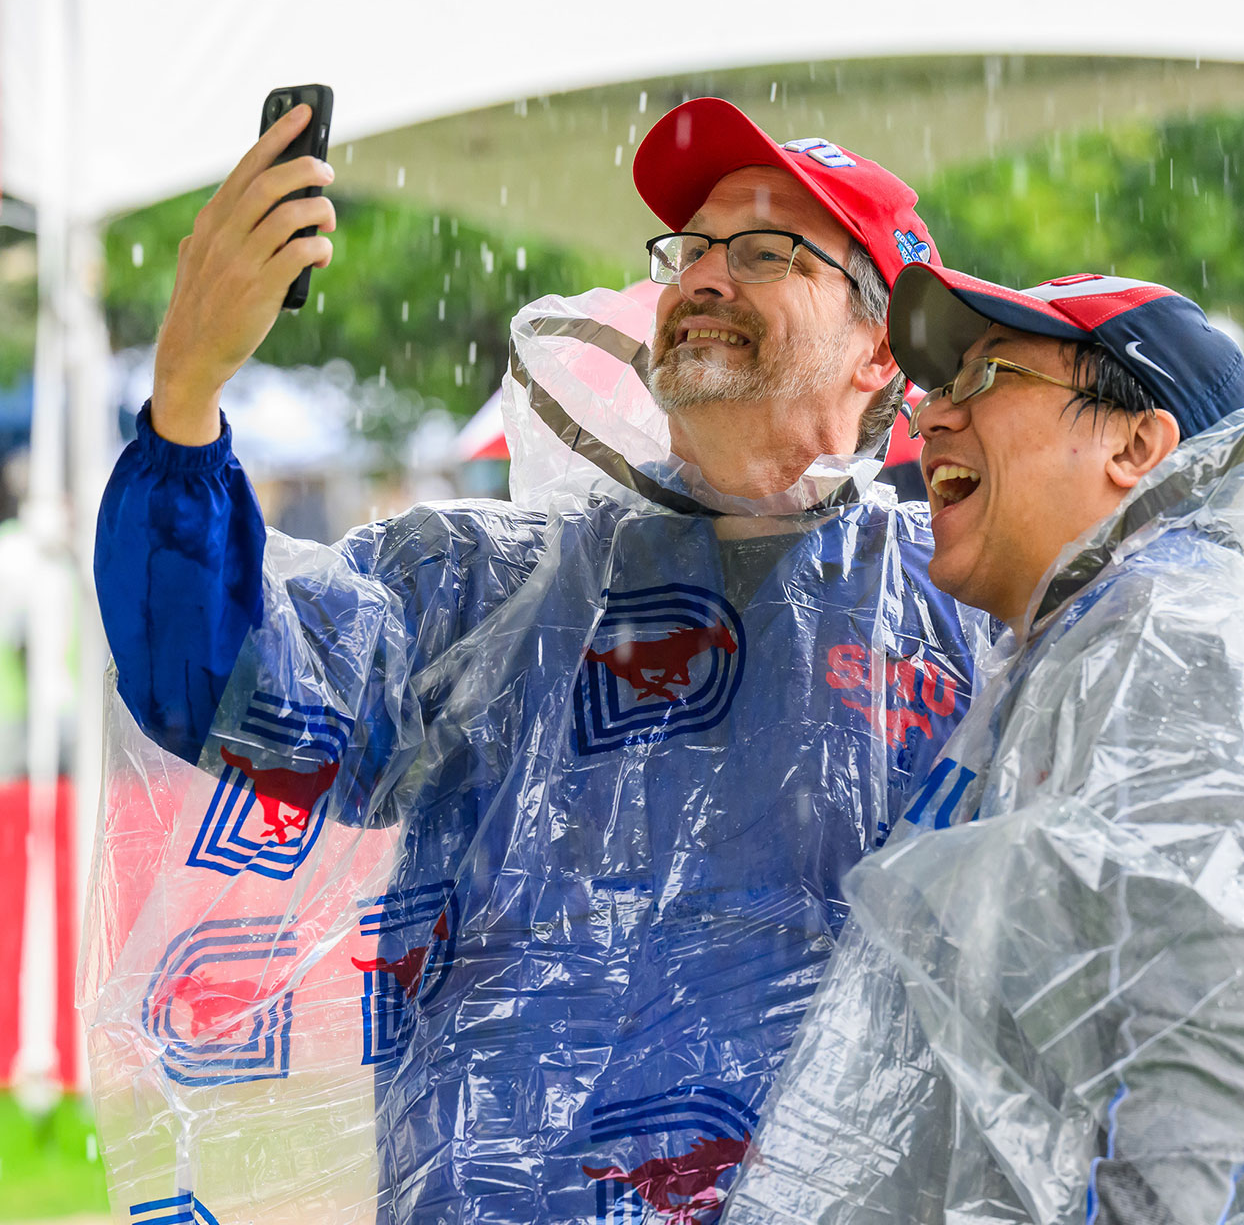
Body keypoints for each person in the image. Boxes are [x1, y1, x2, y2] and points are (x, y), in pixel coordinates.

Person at [87, 99, 987, 1222]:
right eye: (689, 249)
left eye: (765, 252)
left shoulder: (967, 614)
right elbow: (220, 690)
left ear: (880, 348)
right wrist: (185, 398)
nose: (706, 276)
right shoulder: (488, 591)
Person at [724, 269, 1244, 1223]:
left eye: (985, 378)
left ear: (1137, 445)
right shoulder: (1089, 647)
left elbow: (1196, 1052)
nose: (932, 421)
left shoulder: (1176, 644)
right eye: (941, 387)